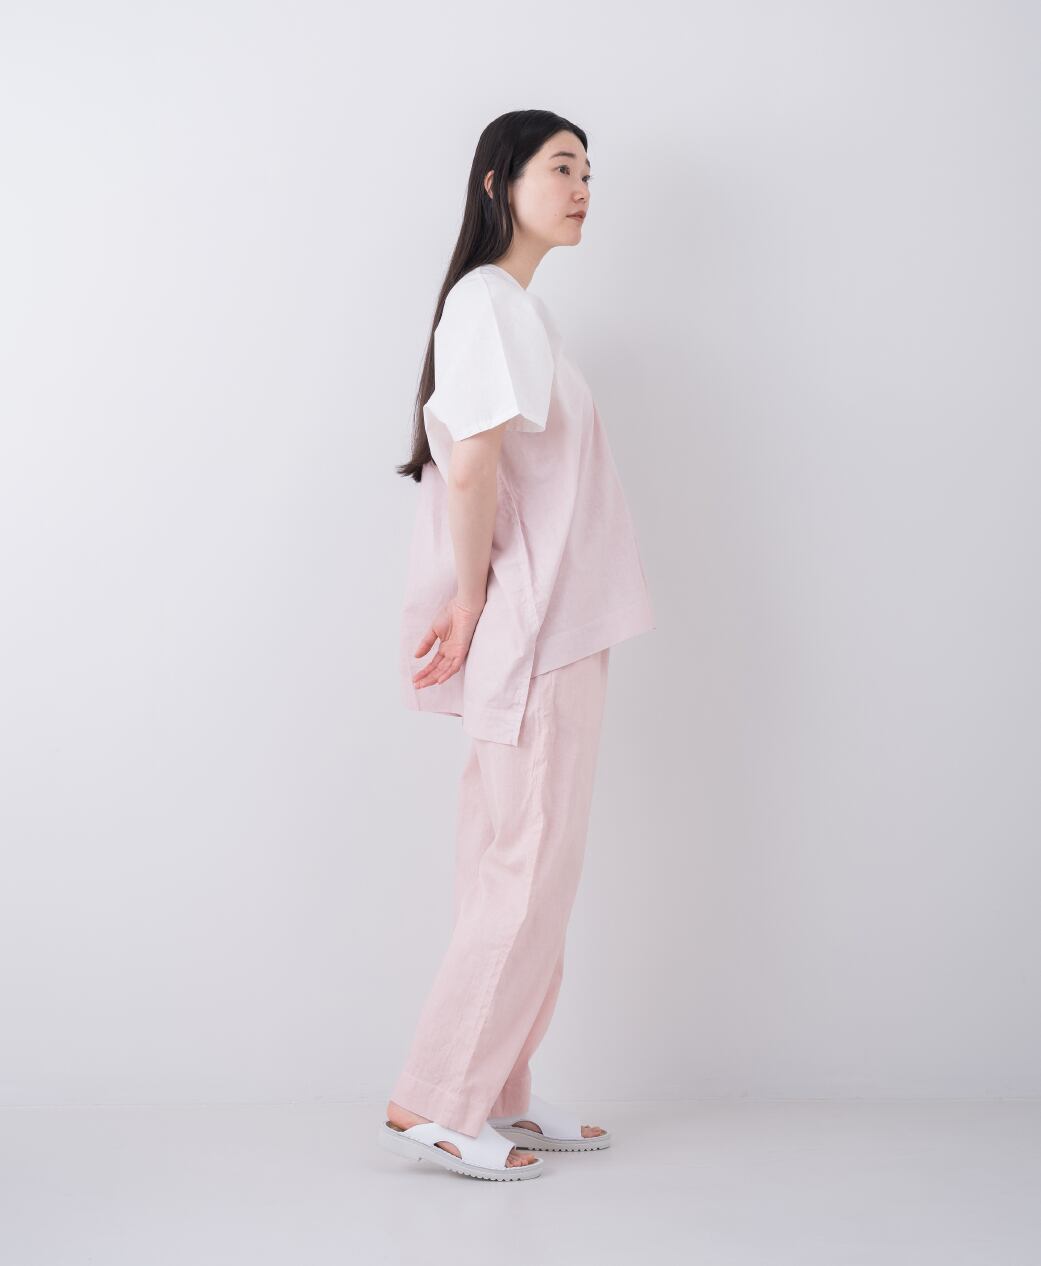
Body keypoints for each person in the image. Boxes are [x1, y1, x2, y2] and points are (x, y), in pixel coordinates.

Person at [379, 110, 655, 1182]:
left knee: (527, 867)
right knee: (524, 867)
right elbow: (474, 463)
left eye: (590, 171)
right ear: (498, 182)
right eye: (561, 167)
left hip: (552, 626)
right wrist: (470, 603)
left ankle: (497, 1093)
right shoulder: (488, 304)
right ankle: (438, 1100)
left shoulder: (513, 310)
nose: (583, 187)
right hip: (534, 629)